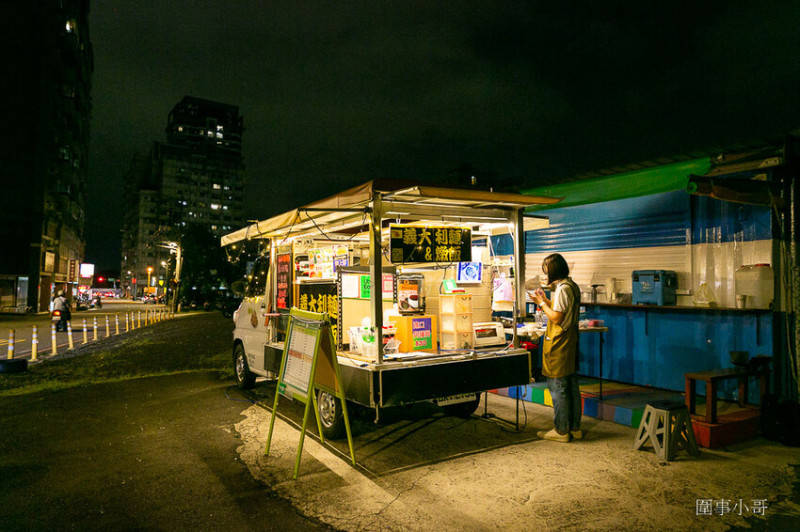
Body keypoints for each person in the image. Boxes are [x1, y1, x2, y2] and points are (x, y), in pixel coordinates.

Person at [528, 253, 582, 443]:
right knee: (571, 385)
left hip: (559, 342)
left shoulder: (562, 289)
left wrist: (541, 303)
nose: (544, 274)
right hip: (570, 341)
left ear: (554, 270)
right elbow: (560, 310)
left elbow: (557, 318)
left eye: (546, 270)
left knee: (558, 387)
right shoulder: (571, 285)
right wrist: (544, 301)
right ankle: (575, 427)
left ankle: (561, 430)